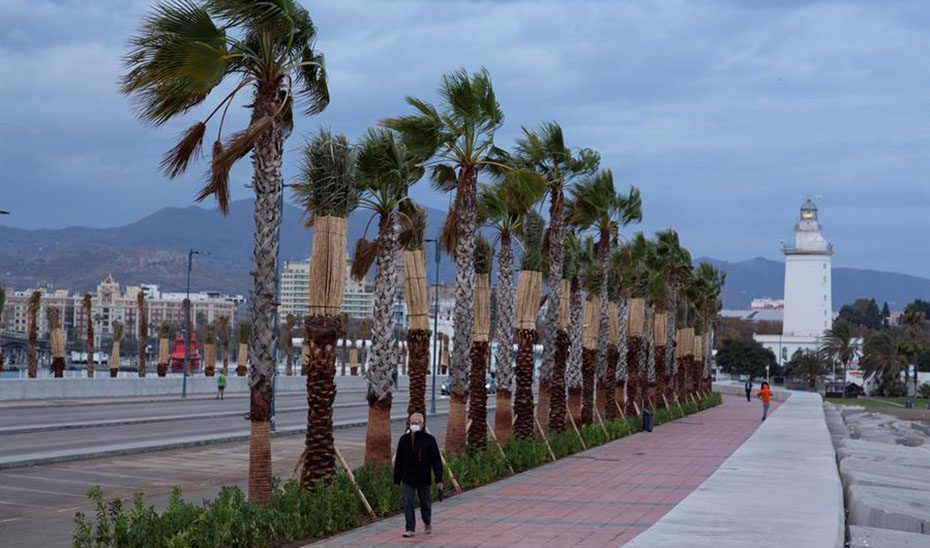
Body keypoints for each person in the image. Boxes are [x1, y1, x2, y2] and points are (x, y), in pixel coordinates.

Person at [394, 412, 443, 538]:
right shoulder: (404, 440)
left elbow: (436, 461)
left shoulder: (429, 440)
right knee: (408, 502)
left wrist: (439, 479)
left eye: (416, 423)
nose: (414, 425)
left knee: (425, 503)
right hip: (408, 478)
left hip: (423, 477)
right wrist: (396, 480)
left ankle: (427, 522)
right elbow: (399, 461)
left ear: (422, 424)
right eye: (412, 423)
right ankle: (410, 528)